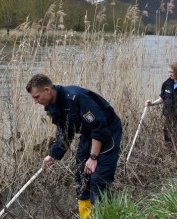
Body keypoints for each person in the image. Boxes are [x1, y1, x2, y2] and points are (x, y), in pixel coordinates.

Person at [26, 74, 122, 219]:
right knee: (81, 176)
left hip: (107, 130)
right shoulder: (52, 105)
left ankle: (105, 215)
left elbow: (99, 128)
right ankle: (87, 216)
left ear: (47, 90)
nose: (35, 101)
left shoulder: (77, 98)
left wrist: (93, 157)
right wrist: (53, 154)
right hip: (88, 133)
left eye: (36, 97)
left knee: (98, 180)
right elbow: (64, 132)